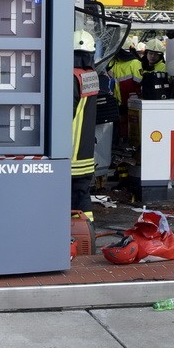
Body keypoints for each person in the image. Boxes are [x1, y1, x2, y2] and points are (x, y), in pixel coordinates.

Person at [71, 30, 99, 221]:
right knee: (82, 195)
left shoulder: (72, 78)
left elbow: (65, 113)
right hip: (85, 152)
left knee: (68, 197)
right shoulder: (90, 76)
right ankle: (86, 232)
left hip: (69, 152)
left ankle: (74, 237)